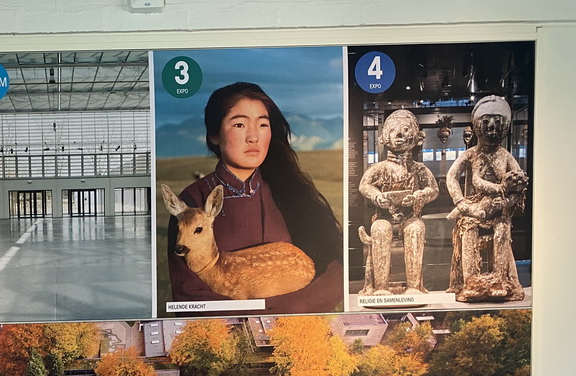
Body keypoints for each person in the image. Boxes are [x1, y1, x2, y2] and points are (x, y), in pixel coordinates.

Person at [166, 81, 342, 313]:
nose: (253, 137)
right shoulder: (192, 200)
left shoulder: (289, 191)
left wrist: (290, 310)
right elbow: (189, 294)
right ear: (214, 135)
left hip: (296, 329)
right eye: (239, 124)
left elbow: (335, 273)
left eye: (263, 125)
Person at [445, 94, 527, 301]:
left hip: (499, 211)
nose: (492, 126)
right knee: (469, 230)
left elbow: (519, 185)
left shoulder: (506, 156)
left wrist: (507, 202)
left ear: (505, 126)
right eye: (486, 121)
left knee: (501, 230)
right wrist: (461, 203)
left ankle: (500, 279)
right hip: (472, 210)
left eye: (498, 121)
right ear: (476, 125)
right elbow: (452, 177)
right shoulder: (470, 154)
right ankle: (471, 281)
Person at [357, 109, 438, 295]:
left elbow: (433, 189)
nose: (400, 135)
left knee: (416, 229)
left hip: (410, 216)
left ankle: (413, 286)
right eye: (394, 130)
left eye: (406, 130)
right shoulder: (380, 168)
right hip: (384, 216)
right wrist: (378, 197)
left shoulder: (418, 168)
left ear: (417, 138)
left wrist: (419, 196)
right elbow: (364, 185)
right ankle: (381, 287)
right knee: (380, 229)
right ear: (384, 138)